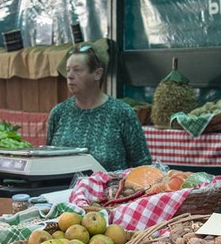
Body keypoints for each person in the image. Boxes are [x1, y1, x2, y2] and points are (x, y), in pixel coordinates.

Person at [47, 41, 151, 171]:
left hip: (109, 190)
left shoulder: (122, 113)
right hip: (61, 190)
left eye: (77, 70)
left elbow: (144, 166)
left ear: (97, 74)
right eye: (68, 70)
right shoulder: (59, 113)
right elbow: (48, 163)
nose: (70, 76)